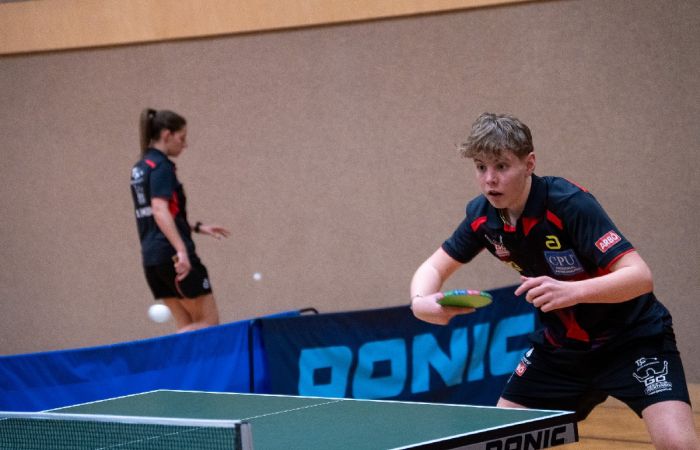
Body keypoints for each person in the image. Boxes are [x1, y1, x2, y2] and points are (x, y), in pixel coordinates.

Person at [410, 112, 698, 449]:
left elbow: (639, 277)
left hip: (632, 340)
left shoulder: (569, 204)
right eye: (480, 167)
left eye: (502, 166)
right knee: (497, 441)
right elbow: (433, 268)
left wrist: (572, 291)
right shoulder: (482, 218)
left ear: (529, 163)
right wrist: (421, 302)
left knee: (678, 444)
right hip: (562, 350)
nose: (490, 179)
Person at [130, 108, 230, 333]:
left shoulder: (140, 168)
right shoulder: (162, 166)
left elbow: (160, 214)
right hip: (174, 257)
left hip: (153, 260)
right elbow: (159, 210)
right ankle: (162, 353)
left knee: (187, 325)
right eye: (182, 138)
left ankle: (177, 355)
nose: (185, 145)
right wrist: (182, 251)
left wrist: (197, 227)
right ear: (167, 135)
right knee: (209, 324)